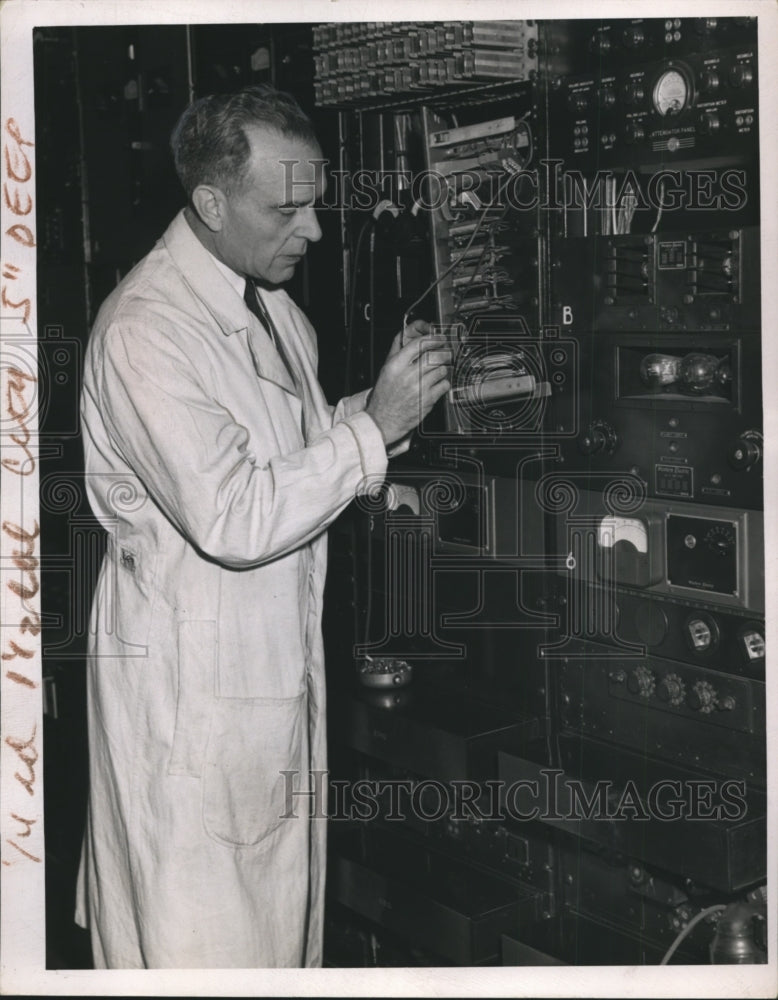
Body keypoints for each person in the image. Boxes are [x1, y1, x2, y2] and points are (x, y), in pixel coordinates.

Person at [74, 84, 451, 969]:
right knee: (198, 950)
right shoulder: (145, 332)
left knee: (275, 946)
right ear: (210, 204)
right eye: (289, 208)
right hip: (193, 722)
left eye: (316, 202)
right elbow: (235, 515)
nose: (314, 230)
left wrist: (385, 404)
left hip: (267, 697)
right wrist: (371, 430)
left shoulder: (273, 312)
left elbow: (296, 451)